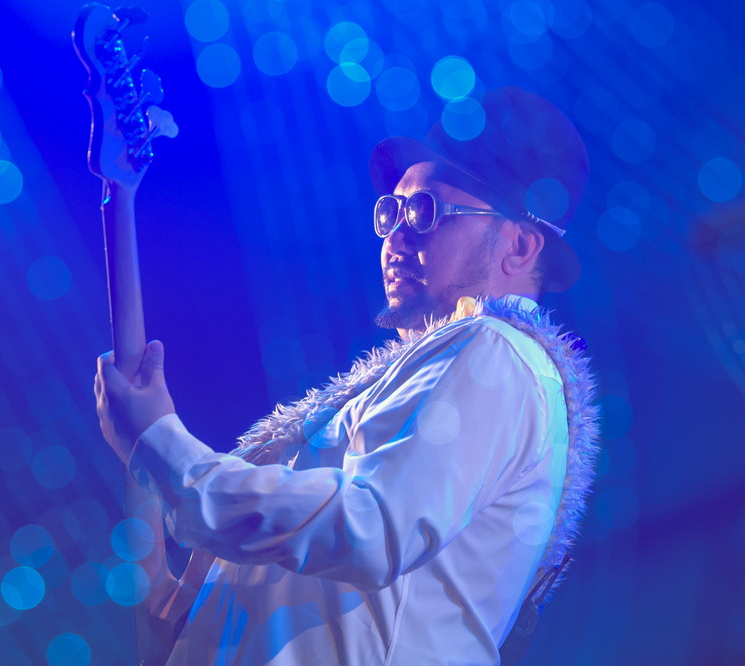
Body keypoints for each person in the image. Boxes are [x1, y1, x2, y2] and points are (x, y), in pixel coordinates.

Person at [95, 87, 601, 665]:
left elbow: (370, 527)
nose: (395, 237)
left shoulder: (497, 352)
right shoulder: (443, 375)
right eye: (391, 212)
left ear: (520, 245)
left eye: (426, 212)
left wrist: (166, 451)